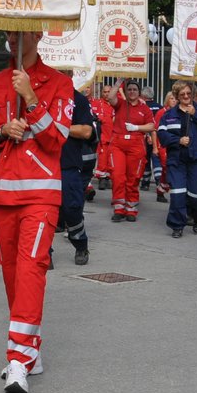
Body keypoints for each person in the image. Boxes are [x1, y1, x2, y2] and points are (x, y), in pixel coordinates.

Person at [0, 30, 74, 393]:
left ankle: (17, 358)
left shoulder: (60, 83)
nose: (13, 38)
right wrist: (1, 131)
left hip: (40, 195)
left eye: (21, 32)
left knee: (32, 269)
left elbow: (56, 139)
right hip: (2, 194)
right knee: (14, 275)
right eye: (8, 33)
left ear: (38, 33)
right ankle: (31, 350)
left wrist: (32, 98)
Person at [159, 81, 197, 237]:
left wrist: (195, 115)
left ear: (193, 94)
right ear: (177, 96)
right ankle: (177, 225)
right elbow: (162, 135)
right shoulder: (169, 115)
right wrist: (177, 141)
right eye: (182, 94)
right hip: (177, 160)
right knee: (177, 194)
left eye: (188, 93)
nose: (185, 96)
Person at [59, 84, 100, 264]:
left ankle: (80, 244)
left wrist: (55, 127)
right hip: (42, 164)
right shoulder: (37, 96)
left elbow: (86, 131)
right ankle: (46, 252)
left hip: (68, 162)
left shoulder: (78, 100)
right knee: (45, 212)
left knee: (72, 208)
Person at [108, 80, 156, 222]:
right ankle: (119, 208)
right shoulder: (121, 104)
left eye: (135, 89)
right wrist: (117, 84)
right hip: (118, 143)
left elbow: (151, 126)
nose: (132, 92)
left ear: (139, 92)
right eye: (129, 89)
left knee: (133, 177)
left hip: (136, 144)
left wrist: (136, 128)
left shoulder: (144, 108)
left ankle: (131, 208)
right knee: (117, 176)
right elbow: (111, 98)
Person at [87, 81, 115, 200]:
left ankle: (107, 178)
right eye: (105, 92)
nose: (107, 94)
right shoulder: (97, 103)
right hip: (102, 135)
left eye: (109, 92)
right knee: (102, 158)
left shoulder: (115, 104)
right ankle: (102, 179)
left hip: (114, 136)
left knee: (110, 159)